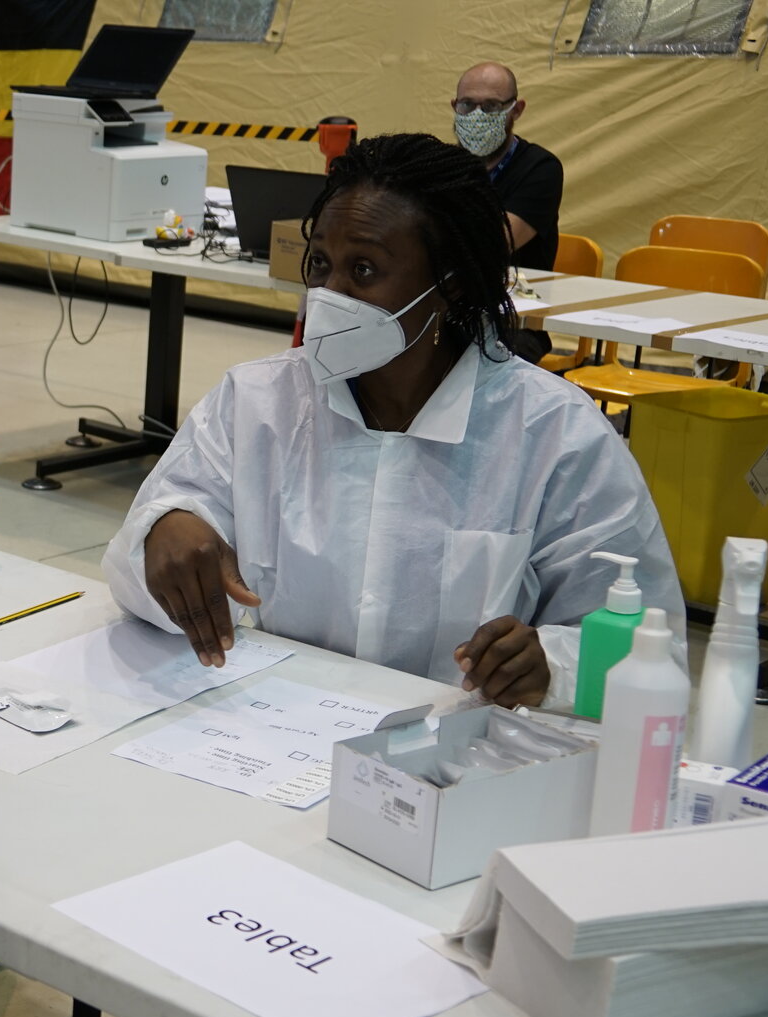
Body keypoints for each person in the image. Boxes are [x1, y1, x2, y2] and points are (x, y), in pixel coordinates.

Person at [102, 133, 683, 713]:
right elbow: (139, 573)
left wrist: (549, 667)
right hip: (274, 729)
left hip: (453, 759)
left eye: (364, 269)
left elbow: (650, 649)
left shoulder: (555, 433)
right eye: (322, 265)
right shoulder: (256, 400)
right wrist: (165, 529)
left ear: (449, 282)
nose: (331, 294)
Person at [452, 61, 563, 360]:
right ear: (454, 106)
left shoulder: (540, 168)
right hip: (448, 308)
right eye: (467, 105)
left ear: (516, 109)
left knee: (471, 364)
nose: (476, 116)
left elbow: (495, 243)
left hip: (514, 322)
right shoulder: (443, 166)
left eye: (490, 106)